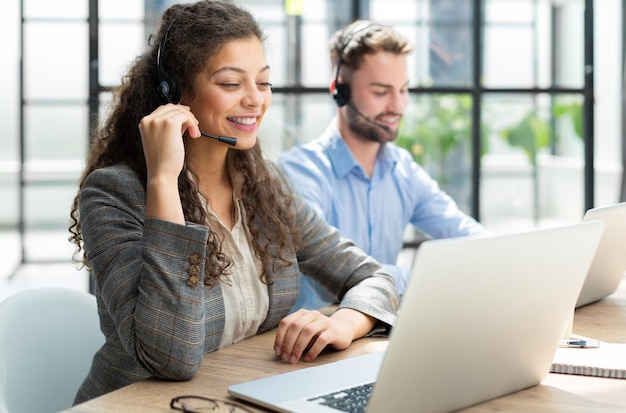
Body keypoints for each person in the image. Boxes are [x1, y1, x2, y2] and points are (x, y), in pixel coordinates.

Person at [67, 1, 398, 404]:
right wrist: (163, 180)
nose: (255, 100)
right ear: (175, 92)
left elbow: (373, 277)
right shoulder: (114, 193)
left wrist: (348, 321)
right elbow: (171, 356)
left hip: (235, 397)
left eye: (263, 82)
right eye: (230, 84)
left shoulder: (263, 185)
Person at [277, 20, 484, 311]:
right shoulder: (300, 173)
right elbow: (338, 274)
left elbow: (467, 236)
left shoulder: (403, 169)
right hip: (313, 340)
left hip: (376, 331)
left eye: (403, 90)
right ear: (340, 91)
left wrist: (507, 260)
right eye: (381, 92)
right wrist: (429, 279)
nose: (398, 106)